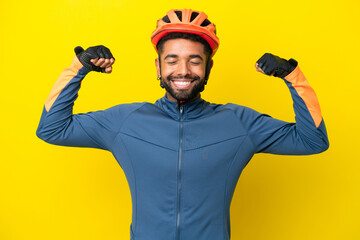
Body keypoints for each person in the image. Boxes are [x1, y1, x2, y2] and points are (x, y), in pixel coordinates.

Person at [36, 8, 329, 240]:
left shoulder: (240, 123)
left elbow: (312, 141)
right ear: (158, 66)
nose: (183, 71)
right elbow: (52, 128)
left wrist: (293, 76)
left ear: (209, 66)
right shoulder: (126, 121)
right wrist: (79, 68)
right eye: (172, 60)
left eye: (194, 61)